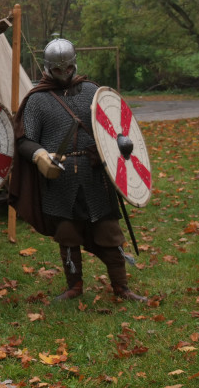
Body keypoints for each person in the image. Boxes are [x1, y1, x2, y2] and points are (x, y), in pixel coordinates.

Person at [10, 38, 147, 303]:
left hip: (96, 174)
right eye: (58, 70)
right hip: (60, 177)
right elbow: (24, 139)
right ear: (48, 68)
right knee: (67, 233)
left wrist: (112, 150)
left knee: (109, 231)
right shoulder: (37, 100)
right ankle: (74, 286)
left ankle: (121, 286)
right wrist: (40, 156)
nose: (64, 74)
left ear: (75, 64)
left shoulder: (93, 93)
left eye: (68, 68)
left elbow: (118, 127)